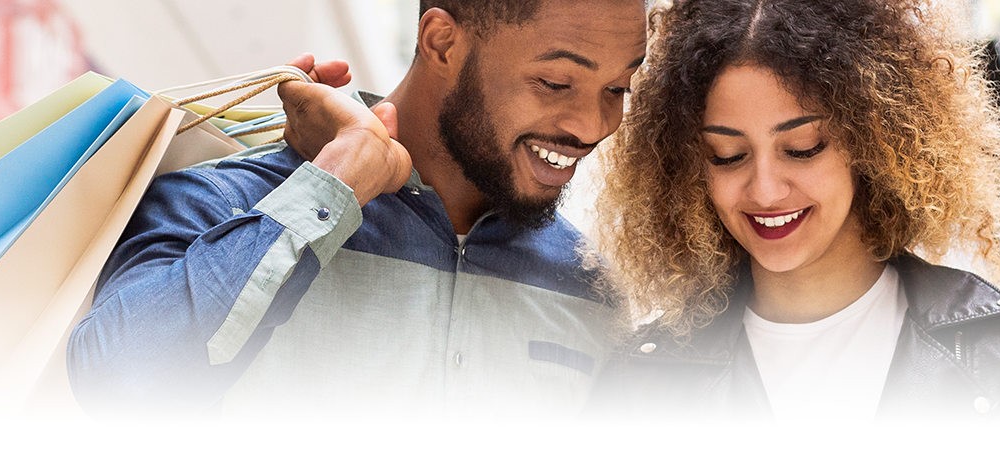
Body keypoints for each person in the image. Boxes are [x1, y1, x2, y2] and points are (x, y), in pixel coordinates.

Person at [68, 0, 647, 419]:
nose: (595, 126)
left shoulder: (593, 288)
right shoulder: (230, 204)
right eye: (554, 82)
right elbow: (116, 387)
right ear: (442, 42)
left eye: (618, 89)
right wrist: (337, 184)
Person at [583, 0, 1000, 420]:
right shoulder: (640, 381)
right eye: (727, 156)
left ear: (875, 141)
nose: (766, 190)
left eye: (802, 148)